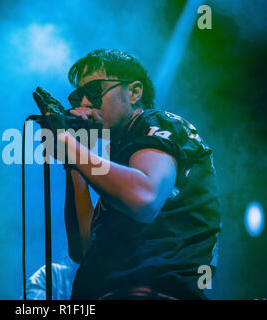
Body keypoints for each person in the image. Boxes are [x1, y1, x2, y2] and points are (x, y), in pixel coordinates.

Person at [34, 49, 221, 300]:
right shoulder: (116, 166)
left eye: (94, 92)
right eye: (78, 97)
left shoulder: (158, 123)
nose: (84, 104)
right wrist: (74, 162)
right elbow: (84, 249)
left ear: (133, 92)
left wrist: (67, 142)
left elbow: (144, 199)